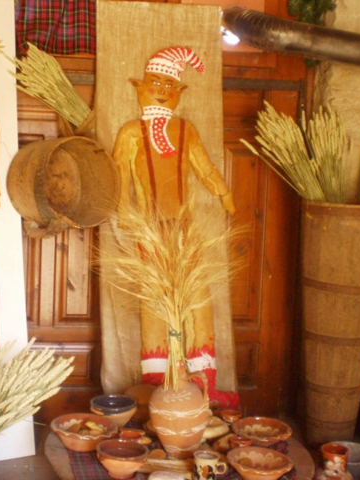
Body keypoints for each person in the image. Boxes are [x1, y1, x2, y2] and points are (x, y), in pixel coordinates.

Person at [112, 46, 239, 407]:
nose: (162, 90)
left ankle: (204, 381)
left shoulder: (186, 130)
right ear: (140, 87)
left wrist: (224, 193)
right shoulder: (130, 133)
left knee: (198, 299)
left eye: (170, 85)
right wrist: (125, 215)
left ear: (180, 92)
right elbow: (120, 178)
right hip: (149, 230)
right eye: (155, 83)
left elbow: (204, 167)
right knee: (154, 301)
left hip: (185, 230)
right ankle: (158, 381)